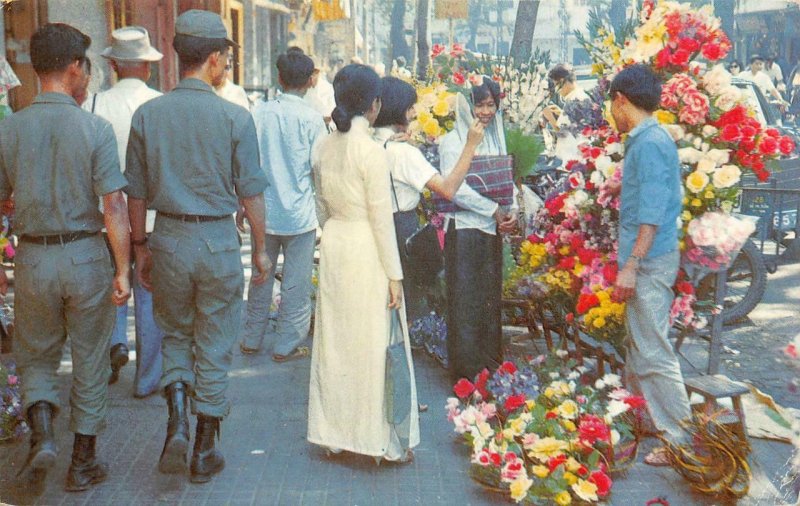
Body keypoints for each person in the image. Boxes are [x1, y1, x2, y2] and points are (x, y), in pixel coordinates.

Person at [125, 10, 270, 484]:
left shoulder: (148, 115)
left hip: (167, 237)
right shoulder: (235, 117)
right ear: (212, 59)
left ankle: (176, 424)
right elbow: (251, 193)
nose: (226, 66)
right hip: (217, 242)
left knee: (175, 336)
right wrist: (263, 250)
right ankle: (205, 447)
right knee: (214, 341)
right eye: (225, 58)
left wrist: (141, 247)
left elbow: (136, 193)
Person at [0, 23, 131, 491]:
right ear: (75, 67)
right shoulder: (94, 128)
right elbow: (114, 204)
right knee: (90, 357)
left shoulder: (10, 130)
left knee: (35, 355)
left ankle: (42, 435)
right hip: (84, 257)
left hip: (33, 259)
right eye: (86, 69)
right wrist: (122, 269)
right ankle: (82, 462)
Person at [308, 64, 419, 463]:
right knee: (374, 343)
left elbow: (320, 206)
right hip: (367, 248)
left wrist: (333, 231)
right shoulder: (370, 152)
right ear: (374, 106)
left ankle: (333, 434)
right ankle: (379, 442)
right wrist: (395, 275)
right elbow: (381, 219)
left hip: (336, 241)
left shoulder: (323, 146)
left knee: (335, 344)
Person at [607, 64, 691, 467]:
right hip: (649, 258)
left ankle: (683, 442)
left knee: (654, 351)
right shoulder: (646, 140)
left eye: (611, 105)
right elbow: (653, 187)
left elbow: (653, 212)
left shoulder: (650, 142)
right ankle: (649, 423)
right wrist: (624, 183)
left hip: (650, 260)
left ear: (621, 100)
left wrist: (632, 265)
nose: (611, 115)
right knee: (641, 345)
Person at [83, 26, 165, 396]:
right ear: (147, 67)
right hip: (150, 217)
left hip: (106, 216)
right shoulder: (162, 105)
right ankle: (147, 378)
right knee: (149, 296)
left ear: (113, 64)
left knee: (112, 288)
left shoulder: (94, 105)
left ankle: (115, 343)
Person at [238, 50, 326, 361]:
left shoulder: (259, 113)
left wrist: (241, 206)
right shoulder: (313, 120)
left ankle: (251, 337)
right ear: (310, 81)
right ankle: (286, 344)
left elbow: (245, 165)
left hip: (263, 210)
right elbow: (319, 169)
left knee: (260, 274)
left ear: (279, 78)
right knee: (296, 285)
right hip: (300, 215)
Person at [372, 76, 483, 323]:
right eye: (410, 108)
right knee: (408, 302)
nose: (413, 114)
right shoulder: (403, 152)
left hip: (373, 229)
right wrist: (470, 146)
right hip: (401, 229)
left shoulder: (371, 143)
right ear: (397, 109)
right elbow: (448, 189)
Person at [438, 76, 518, 381]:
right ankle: (465, 376)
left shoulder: (496, 136)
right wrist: (494, 210)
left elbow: (504, 180)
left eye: (490, 105)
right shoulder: (453, 141)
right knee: (465, 303)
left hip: (490, 230)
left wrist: (510, 212)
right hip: (465, 229)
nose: (485, 111)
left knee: (488, 301)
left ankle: (489, 373)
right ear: (466, 105)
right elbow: (454, 189)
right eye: (479, 105)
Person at [542, 64, 592, 162]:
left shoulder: (574, 100)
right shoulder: (581, 96)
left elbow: (563, 133)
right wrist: (562, 114)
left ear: (563, 81)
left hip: (571, 157)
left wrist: (550, 117)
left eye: (556, 85)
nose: (557, 91)